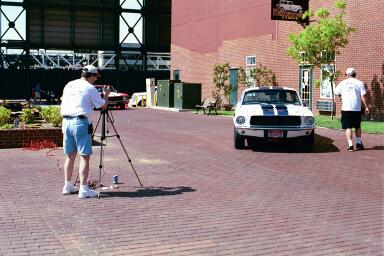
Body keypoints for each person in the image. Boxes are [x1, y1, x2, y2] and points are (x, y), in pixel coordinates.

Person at [60, 65, 110, 198]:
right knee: (84, 156)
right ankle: (83, 189)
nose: (95, 80)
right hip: (80, 123)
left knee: (70, 155)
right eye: (95, 77)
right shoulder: (89, 87)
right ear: (92, 76)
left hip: (66, 122)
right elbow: (102, 106)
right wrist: (106, 95)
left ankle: (67, 185)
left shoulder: (69, 84)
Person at [334, 68, 369, 152]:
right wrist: (366, 106)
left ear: (348, 75)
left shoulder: (343, 83)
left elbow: (336, 92)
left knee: (348, 127)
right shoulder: (360, 83)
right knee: (357, 126)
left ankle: (350, 145)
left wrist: (341, 96)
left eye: (346, 75)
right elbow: (363, 96)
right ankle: (358, 143)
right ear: (354, 74)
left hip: (346, 108)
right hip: (356, 108)